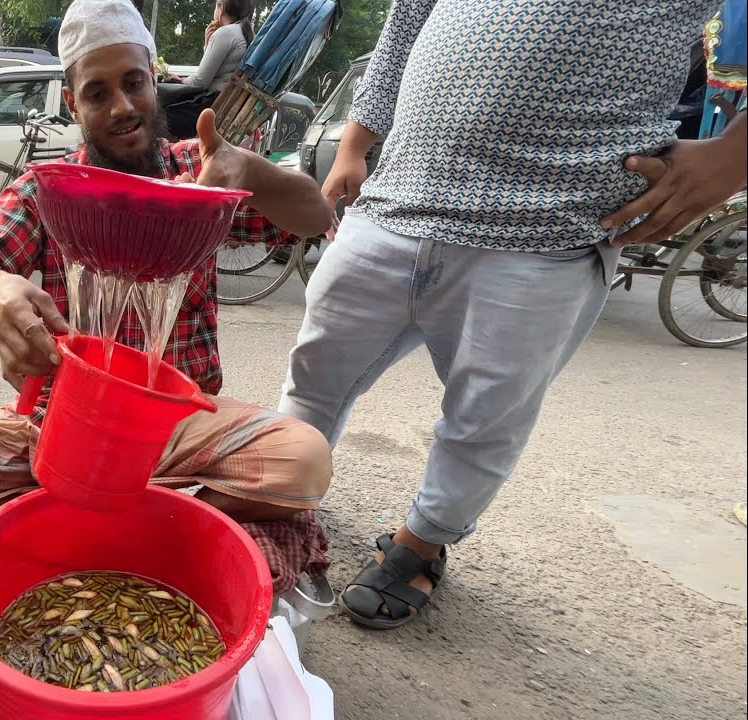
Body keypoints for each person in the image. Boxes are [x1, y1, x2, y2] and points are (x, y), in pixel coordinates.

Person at [278, 0, 748, 630]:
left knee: (484, 415)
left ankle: (421, 541)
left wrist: (733, 156)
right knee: (315, 374)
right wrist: (355, 144)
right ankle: (279, 497)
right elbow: (407, 22)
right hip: (393, 201)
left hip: (549, 229)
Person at [0, 0, 334, 589]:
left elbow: (312, 214)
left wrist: (253, 171)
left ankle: (107, 540)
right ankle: (149, 532)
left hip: (175, 426)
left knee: (302, 463)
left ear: (155, 79)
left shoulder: (199, 179)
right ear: (73, 104)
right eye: (98, 93)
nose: (122, 107)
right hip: (53, 424)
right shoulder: (47, 192)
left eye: (133, 83)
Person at [158, 0, 254, 139]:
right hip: (224, 107)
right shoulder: (246, 33)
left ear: (221, 8)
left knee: (157, 114)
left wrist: (180, 80)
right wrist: (207, 45)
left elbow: (200, 82)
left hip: (209, 107)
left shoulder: (225, 33)